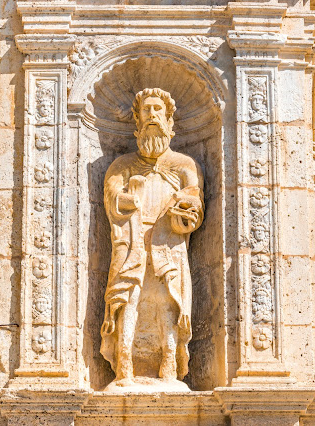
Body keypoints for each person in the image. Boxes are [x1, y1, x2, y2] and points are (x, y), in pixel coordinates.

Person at [100, 88, 204, 389]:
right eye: (146, 111)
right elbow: (112, 197)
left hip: (168, 243)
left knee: (168, 304)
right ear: (137, 119)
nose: (152, 116)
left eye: (158, 110)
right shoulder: (122, 165)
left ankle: (169, 367)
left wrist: (185, 207)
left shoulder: (184, 166)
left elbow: (194, 202)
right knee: (126, 302)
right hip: (131, 243)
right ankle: (124, 368)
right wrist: (129, 195)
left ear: (169, 119)